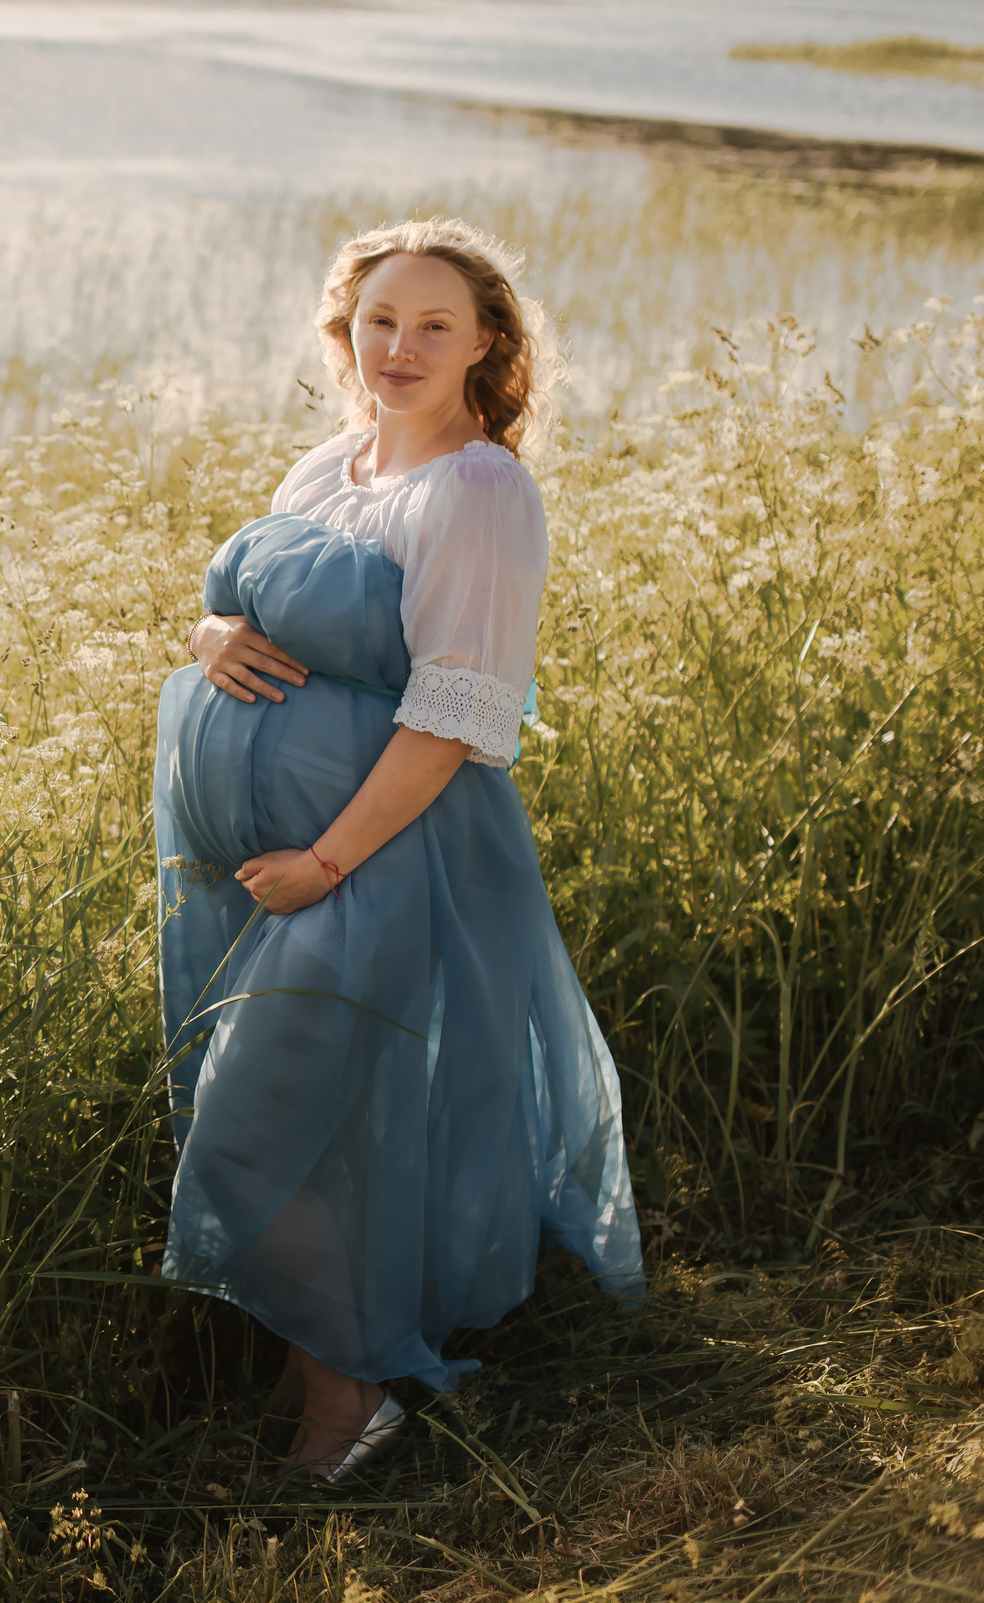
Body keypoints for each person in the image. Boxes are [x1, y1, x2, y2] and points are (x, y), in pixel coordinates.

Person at [153, 218, 643, 1488]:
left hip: (380, 852)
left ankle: (351, 1399)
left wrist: (325, 859)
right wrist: (210, 637)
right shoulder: (333, 465)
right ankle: (322, 1347)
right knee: (313, 1107)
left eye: (434, 323)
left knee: (274, 1113)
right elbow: (244, 600)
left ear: (486, 342)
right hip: (272, 859)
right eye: (378, 319)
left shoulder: (476, 489)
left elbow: (454, 714)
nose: (401, 345)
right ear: (341, 332)